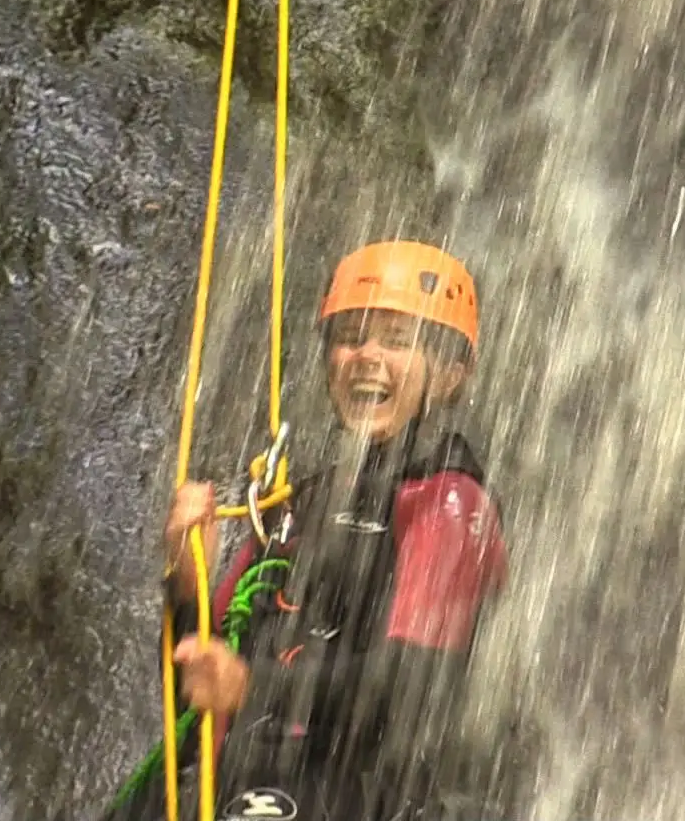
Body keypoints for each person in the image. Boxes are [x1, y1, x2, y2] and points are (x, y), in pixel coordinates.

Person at [115, 240, 510, 821]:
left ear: (450, 376)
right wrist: (185, 580)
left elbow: (412, 686)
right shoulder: (297, 505)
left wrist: (254, 686)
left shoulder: (448, 502)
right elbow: (190, 696)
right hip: (258, 780)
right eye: (350, 335)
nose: (366, 355)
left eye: (398, 340)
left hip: (373, 794)